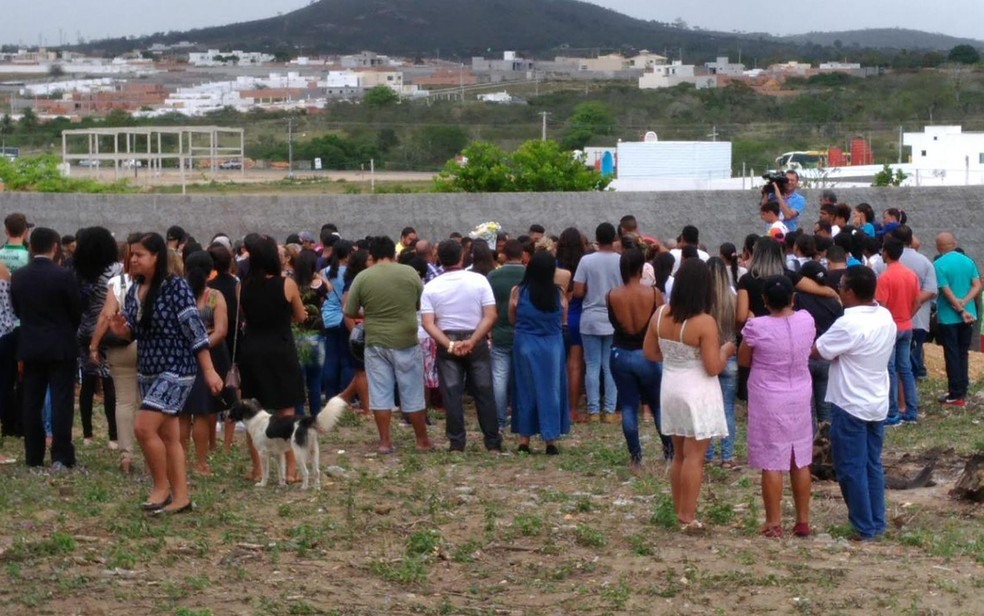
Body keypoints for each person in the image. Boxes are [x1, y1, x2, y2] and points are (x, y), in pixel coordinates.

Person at [109, 232, 223, 514]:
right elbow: (137, 329)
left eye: (139, 255)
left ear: (157, 257)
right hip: (148, 369)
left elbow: (195, 330)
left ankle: (161, 488)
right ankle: (181, 497)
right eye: (131, 254)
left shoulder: (176, 288)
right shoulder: (136, 288)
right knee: (170, 436)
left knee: (143, 428)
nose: (133, 259)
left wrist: (209, 371)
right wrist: (123, 331)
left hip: (176, 368)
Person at [644, 259, 735, 531]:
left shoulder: (660, 314)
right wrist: (727, 350)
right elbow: (713, 367)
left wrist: (675, 357)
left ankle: (678, 510)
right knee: (695, 456)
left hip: (671, 385)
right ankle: (688, 515)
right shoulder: (705, 322)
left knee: (680, 455)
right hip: (696, 390)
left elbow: (650, 353)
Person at [813, 265, 896, 541]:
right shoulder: (885, 316)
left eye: (841, 287)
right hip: (876, 401)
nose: (839, 291)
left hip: (850, 403)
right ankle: (876, 521)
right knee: (871, 463)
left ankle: (864, 526)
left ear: (849, 291)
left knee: (850, 467)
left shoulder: (848, 323)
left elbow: (820, 350)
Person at [739, 275, 816, 538]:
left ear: (764, 300)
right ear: (792, 298)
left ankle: (773, 522)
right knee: (800, 456)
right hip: (800, 393)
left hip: (769, 396)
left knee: (772, 460)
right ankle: (803, 520)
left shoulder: (756, 327)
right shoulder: (806, 320)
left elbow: (744, 359)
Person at [344, 237, 432, 453]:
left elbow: (349, 310)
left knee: (380, 392)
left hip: (376, 341)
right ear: (394, 253)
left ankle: (385, 442)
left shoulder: (363, 277)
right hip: (406, 339)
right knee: (412, 391)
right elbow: (421, 303)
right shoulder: (410, 273)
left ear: (372, 255)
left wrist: (368, 312)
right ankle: (422, 440)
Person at [10, 227, 82, 471]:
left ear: (31, 247)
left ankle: (34, 454)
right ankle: (61, 454)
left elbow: (17, 310)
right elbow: (75, 312)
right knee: (61, 401)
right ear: (55, 247)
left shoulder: (19, 276)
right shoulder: (64, 276)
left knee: (31, 401)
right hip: (61, 345)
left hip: (31, 345)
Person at [421, 240, 502, 453]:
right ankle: (492, 441)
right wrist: (474, 340)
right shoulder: (480, 281)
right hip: (476, 340)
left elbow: (428, 323)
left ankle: (457, 442)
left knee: (451, 393)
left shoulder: (431, 287)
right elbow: (491, 315)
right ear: (462, 257)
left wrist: (449, 344)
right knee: (484, 391)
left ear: (440, 259)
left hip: (447, 341)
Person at [238, 235, 307, 481]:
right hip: (280, 348)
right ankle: (291, 469)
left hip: (252, 348)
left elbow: (246, 315)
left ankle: (257, 469)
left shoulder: (243, 285)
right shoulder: (286, 284)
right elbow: (300, 316)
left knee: (252, 413)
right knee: (287, 409)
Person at [607, 248, 671, 468]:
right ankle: (669, 451)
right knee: (658, 406)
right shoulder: (654, 294)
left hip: (620, 353)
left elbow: (614, 323)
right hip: (648, 354)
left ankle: (636, 456)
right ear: (640, 267)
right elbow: (663, 323)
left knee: (627, 405)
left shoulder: (612, 295)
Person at [509, 250, 568, 454]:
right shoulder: (558, 293)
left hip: (525, 342)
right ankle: (550, 439)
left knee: (525, 389)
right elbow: (563, 320)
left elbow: (512, 318)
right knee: (551, 389)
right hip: (552, 344)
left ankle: (524, 439)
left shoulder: (518, 291)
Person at [179, 251, 231, 475]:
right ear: (211, 270)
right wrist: (202, 345)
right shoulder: (214, 296)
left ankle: (181, 461)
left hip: (181, 356)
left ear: (186, 269)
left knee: (182, 412)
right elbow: (221, 331)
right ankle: (201, 463)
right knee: (201, 411)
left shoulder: (179, 294)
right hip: (210, 355)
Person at [90, 239, 138, 473]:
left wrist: (94, 344)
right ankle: (154, 450)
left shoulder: (117, 282)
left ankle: (126, 454)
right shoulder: (157, 282)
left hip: (121, 347)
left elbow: (106, 315)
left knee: (124, 400)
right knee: (150, 401)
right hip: (149, 346)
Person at [73, 227, 122, 448]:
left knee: (88, 381)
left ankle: (87, 434)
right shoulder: (116, 270)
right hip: (108, 331)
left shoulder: (79, 271)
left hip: (84, 330)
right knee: (109, 382)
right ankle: (113, 436)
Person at [573, 223, 622, 423]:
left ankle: (593, 410)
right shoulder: (621, 261)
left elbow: (577, 291)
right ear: (614, 238)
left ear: (597, 238)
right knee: (610, 366)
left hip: (590, 316)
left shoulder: (586, 261)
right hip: (613, 317)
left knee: (592, 365)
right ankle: (610, 410)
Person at [933, 232, 982, 407]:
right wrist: (966, 302)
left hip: (948, 317)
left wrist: (959, 308)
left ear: (938, 247)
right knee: (963, 352)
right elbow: (977, 285)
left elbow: (945, 290)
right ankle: (963, 388)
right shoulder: (968, 261)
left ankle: (955, 393)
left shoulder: (938, 264)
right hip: (969, 316)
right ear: (955, 243)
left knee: (951, 354)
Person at [876, 237, 921, 425]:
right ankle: (911, 411)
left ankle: (893, 412)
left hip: (891, 328)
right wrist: (907, 316)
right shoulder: (911, 274)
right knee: (906, 368)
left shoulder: (885, 277)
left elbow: (881, 304)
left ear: (886, 253)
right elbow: (918, 300)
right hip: (906, 325)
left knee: (890, 369)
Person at [793, 261, 843, 428]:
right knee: (825, 405)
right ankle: (827, 442)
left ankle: (810, 444)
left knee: (808, 407)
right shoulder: (835, 302)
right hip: (826, 357)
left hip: (805, 357)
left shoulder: (798, 299)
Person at [488, 239, 526, 431]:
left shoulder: (493, 276)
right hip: (524, 334)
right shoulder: (529, 275)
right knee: (522, 379)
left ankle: (499, 421)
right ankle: (520, 419)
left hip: (499, 332)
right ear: (522, 255)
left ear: (504, 255)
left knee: (499, 379)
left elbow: (487, 306)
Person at [704, 257, 738, 468]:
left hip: (707, 357)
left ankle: (707, 454)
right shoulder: (733, 297)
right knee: (728, 409)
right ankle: (727, 456)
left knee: (707, 408)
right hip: (730, 354)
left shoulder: (702, 300)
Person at [891, 226, 936, 381]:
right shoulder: (924, 262)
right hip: (918, 319)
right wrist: (911, 306)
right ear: (910, 240)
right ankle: (911, 396)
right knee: (910, 363)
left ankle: (897, 398)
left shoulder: (885, 259)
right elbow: (931, 291)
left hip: (891, 320)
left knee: (892, 365)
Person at [293, 249, 329, 417]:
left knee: (299, 380)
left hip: (298, 333)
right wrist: (318, 274)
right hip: (317, 332)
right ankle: (316, 415)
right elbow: (329, 287)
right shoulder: (318, 284)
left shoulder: (293, 284)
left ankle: (299, 415)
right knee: (315, 379)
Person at [556, 227, 587, 422]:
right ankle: (573, 409)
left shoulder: (555, 266)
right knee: (576, 365)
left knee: (557, 363)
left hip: (557, 319)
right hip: (578, 316)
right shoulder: (583, 265)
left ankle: (557, 405)